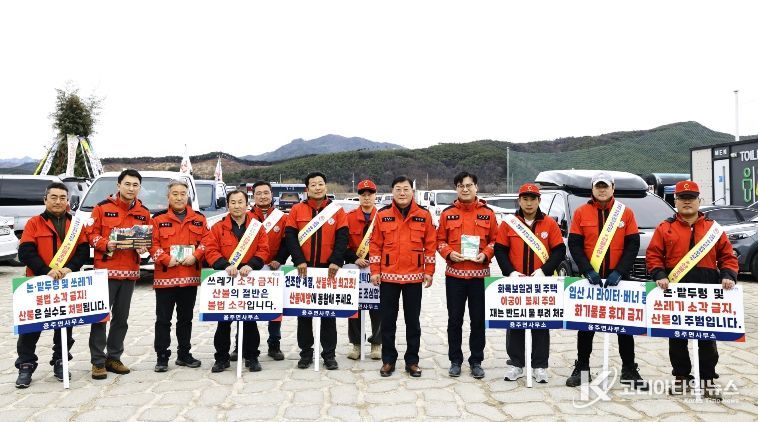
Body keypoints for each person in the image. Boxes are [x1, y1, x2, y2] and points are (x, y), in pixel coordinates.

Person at [646, 180, 738, 400]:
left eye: (691, 198)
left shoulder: (714, 229)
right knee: (677, 338)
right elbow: (653, 255)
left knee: (707, 339)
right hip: (675, 292)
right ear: (675, 201)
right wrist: (659, 275)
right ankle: (681, 377)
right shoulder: (664, 227)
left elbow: (728, 256)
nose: (687, 202)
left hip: (707, 292)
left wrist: (728, 275)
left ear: (699, 200)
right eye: (682, 198)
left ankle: (707, 380)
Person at [565, 172, 647, 390]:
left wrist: (620, 271)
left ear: (613, 188)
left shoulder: (625, 213)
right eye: (598, 186)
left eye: (605, 186)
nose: (602, 190)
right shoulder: (581, 212)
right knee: (586, 326)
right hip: (590, 279)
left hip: (618, 279)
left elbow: (632, 245)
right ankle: (582, 368)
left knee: (624, 326)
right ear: (592, 189)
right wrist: (587, 270)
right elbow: (575, 245)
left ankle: (629, 369)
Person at [15, 182, 89, 388]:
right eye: (54, 197)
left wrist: (70, 268)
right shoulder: (34, 223)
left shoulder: (75, 225)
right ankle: (26, 365)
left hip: (66, 283)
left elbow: (83, 251)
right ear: (45, 199)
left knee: (65, 327)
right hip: (38, 283)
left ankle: (60, 361)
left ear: (67, 201)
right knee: (30, 328)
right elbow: (26, 252)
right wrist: (45, 270)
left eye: (62, 198)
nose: (58, 201)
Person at [494, 183, 566, 383]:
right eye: (525, 199)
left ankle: (540, 366)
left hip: (541, 283)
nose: (528, 203)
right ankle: (516, 364)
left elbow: (559, 250)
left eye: (532, 199)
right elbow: (500, 250)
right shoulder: (508, 223)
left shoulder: (549, 223)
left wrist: (544, 271)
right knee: (515, 323)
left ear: (539, 201)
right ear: (519, 201)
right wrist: (510, 272)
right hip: (516, 282)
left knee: (541, 324)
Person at [86, 169, 151, 380]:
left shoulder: (144, 213)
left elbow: (147, 241)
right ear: (118, 185)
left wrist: (143, 248)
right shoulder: (102, 208)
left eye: (135, 185)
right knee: (100, 317)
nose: (131, 188)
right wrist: (106, 244)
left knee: (121, 319)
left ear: (139, 188)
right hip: (105, 272)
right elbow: (91, 235)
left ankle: (114, 358)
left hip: (130, 272)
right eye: (127, 184)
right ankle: (97, 362)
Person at [370, 176, 436, 377]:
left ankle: (412, 361)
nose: (402, 193)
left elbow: (430, 245)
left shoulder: (424, 215)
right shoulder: (383, 215)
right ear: (392, 192)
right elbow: (375, 245)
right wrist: (375, 271)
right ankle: (388, 360)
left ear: (412, 192)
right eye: (398, 189)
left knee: (412, 321)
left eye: (406, 189)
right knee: (388, 321)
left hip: (414, 277)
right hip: (388, 276)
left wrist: (429, 271)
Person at [436, 172, 498, 379]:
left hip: (479, 277)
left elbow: (496, 240)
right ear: (456, 188)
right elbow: (439, 240)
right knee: (454, 320)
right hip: (455, 276)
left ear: (476, 187)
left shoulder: (488, 213)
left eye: (469, 185)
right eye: (461, 185)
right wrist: (448, 253)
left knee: (478, 321)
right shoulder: (447, 214)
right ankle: (455, 360)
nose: (465, 189)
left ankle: (476, 361)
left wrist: (486, 253)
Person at [284, 172, 348, 370]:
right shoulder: (297, 210)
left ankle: (329, 354)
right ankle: (305, 353)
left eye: (321, 184)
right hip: (304, 270)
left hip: (328, 270)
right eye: (313, 185)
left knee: (328, 315)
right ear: (307, 189)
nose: (317, 187)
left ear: (326, 187)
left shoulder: (337, 211)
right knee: (304, 315)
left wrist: (336, 261)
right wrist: (299, 260)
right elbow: (290, 238)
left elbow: (343, 238)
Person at [203, 189, 270, 372]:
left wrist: (252, 265)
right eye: (233, 202)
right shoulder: (218, 227)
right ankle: (221, 358)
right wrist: (224, 265)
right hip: (226, 280)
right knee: (223, 322)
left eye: (240, 202)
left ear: (247, 204)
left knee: (250, 322)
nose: (237, 206)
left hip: (248, 280)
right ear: (228, 205)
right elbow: (210, 250)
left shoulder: (257, 227)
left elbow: (263, 249)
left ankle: (252, 357)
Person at [150, 179, 209, 372]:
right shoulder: (157, 219)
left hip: (189, 278)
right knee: (163, 320)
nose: (179, 197)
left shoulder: (199, 219)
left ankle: (184, 354)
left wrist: (196, 256)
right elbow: (152, 244)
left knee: (185, 319)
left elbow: (207, 242)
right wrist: (166, 259)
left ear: (188, 196)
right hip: (165, 278)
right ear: (168, 197)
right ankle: (162, 356)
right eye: (175, 194)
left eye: (183, 194)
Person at [239, 180, 290, 361]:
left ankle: (274, 344)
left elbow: (287, 242)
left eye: (266, 192)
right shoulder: (245, 216)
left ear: (272, 194)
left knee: (275, 308)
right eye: (258, 193)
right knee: (246, 308)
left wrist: (279, 260)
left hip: (272, 268)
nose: (262, 196)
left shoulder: (282, 217)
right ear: (253, 196)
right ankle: (241, 345)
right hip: (249, 269)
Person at [344, 179, 382, 360]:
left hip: (376, 268)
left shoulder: (382, 216)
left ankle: (377, 343)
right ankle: (356, 344)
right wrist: (354, 258)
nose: (367, 198)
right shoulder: (348, 217)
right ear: (358, 196)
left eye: (370, 194)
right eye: (363, 195)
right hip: (355, 268)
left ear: (375, 196)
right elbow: (342, 244)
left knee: (378, 307)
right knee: (354, 306)